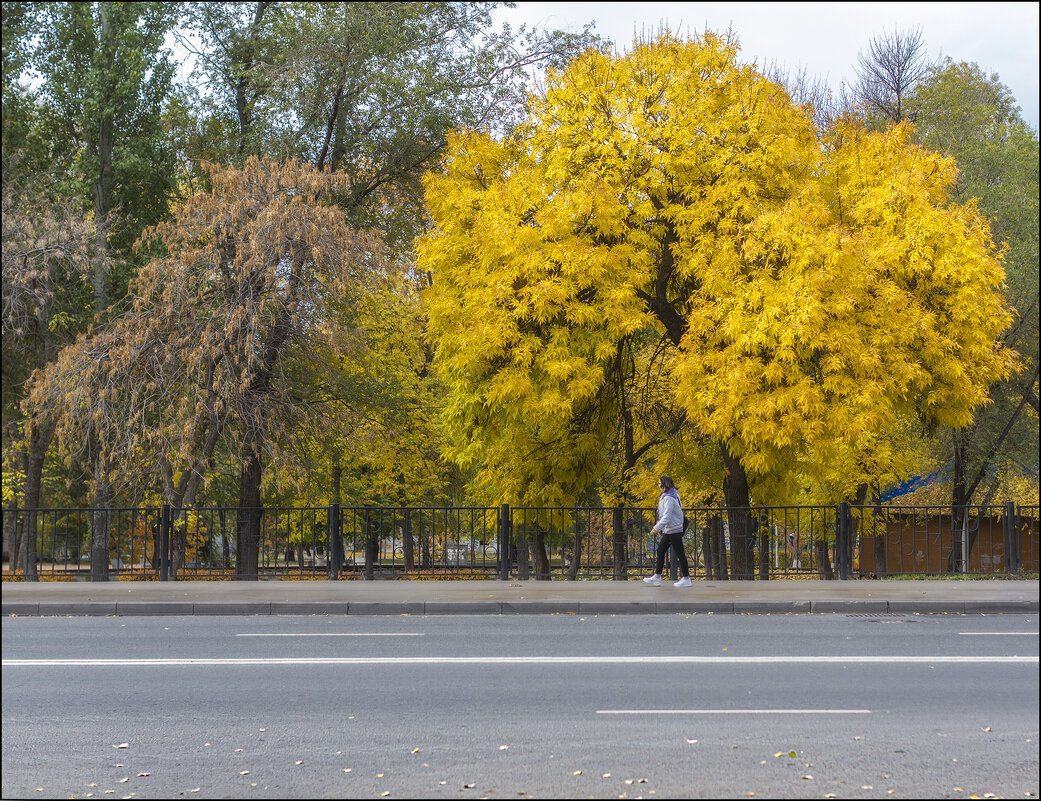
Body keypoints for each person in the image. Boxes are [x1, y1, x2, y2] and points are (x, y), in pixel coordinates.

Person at [643, 475, 691, 587]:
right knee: (660, 550)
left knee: (680, 553)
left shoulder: (669, 498)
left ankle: (686, 578)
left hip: (674, 529)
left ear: (665, 484)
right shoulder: (670, 495)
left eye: (659, 483)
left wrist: (656, 528)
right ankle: (657, 576)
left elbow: (667, 516)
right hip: (670, 529)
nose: (658, 485)